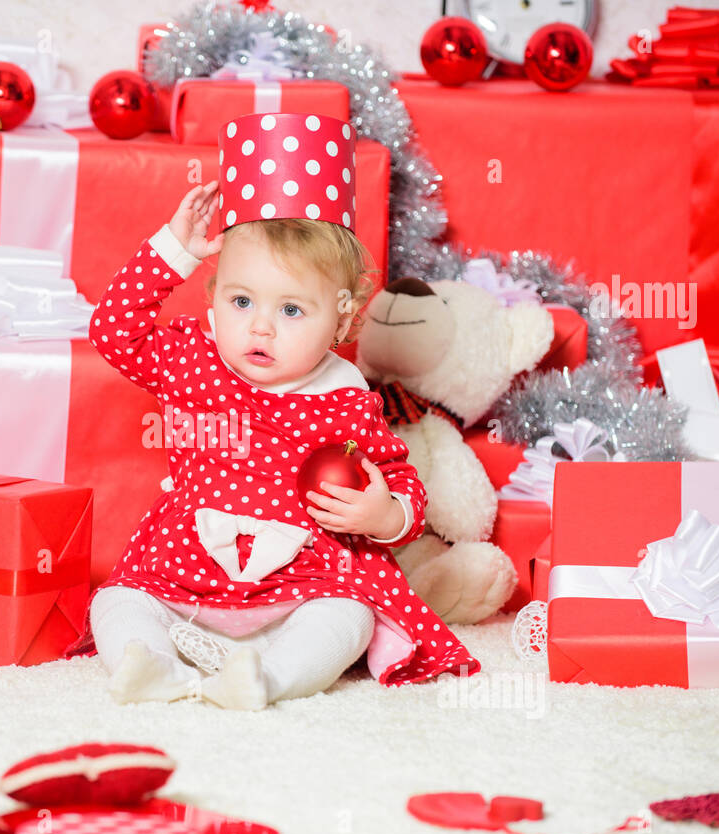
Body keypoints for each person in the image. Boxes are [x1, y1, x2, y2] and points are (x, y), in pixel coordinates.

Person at [84, 113, 480, 709]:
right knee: (113, 602)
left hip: (303, 579)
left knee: (349, 617)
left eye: (292, 310)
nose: (260, 326)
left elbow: (397, 476)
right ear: (215, 295)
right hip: (181, 568)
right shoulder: (192, 354)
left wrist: (384, 514)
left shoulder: (345, 395)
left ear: (342, 320)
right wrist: (172, 252)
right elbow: (113, 330)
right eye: (241, 300)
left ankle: (266, 679)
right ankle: (153, 665)